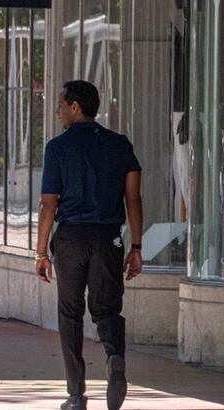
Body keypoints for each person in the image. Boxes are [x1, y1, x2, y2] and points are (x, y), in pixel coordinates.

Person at [34, 80, 143, 410]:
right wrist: (136, 246)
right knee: (107, 308)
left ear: (75, 107)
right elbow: (133, 198)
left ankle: (76, 395)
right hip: (108, 236)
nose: (57, 112)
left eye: (60, 105)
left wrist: (41, 252)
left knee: (70, 312)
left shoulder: (58, 148)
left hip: (71, 238)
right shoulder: (120, 145)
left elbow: (48, 204)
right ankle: (115, 358)